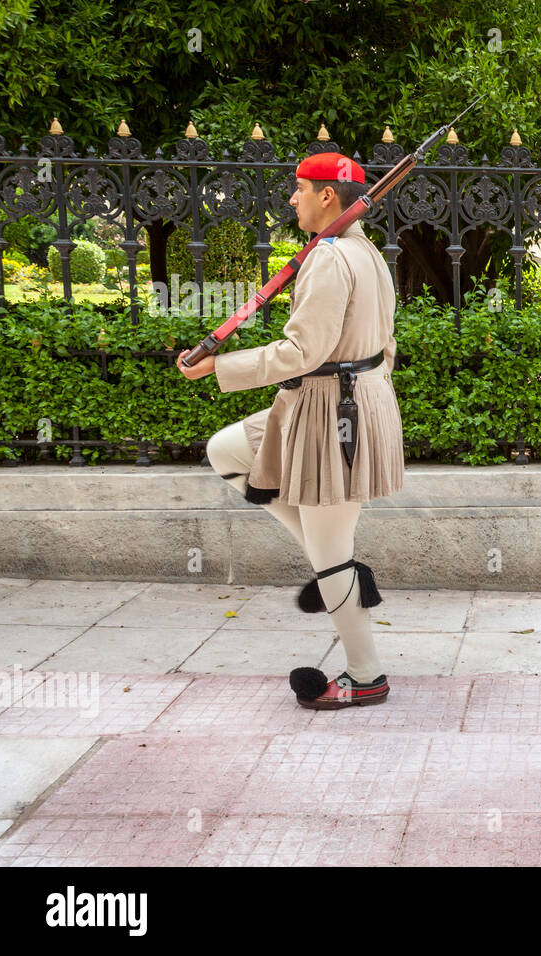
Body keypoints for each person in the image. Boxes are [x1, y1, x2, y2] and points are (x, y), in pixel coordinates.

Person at [176, 150, 404, 710]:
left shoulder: (331, 257)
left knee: (330, 555)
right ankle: (339, 569)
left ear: (329, 195)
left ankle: (365, 675)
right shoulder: (365, 251)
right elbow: (384, 346)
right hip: (335, 403)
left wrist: (219, 367)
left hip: (334, 416)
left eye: (300, 188)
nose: (292, 198)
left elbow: (304, 350)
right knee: (227, 450)